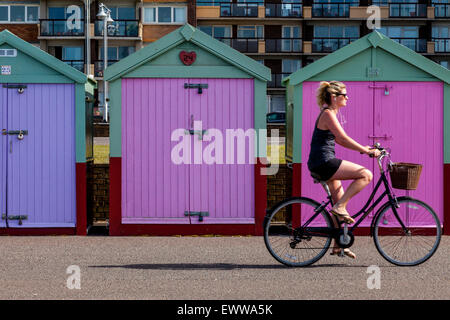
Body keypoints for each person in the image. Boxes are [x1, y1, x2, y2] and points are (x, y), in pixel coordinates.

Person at [307, 81, 381, 259]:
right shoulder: (327, 113)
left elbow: (339, 140)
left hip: (321, 162)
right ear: (334, 97)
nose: (347, 98)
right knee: (365, 174)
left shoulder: (331, 113)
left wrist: (363, 147)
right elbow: (343, 137)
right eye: (344, 95)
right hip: (324, 162)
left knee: (337, 201)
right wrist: (366, 151)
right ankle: (340, 207)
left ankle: (339, 244)